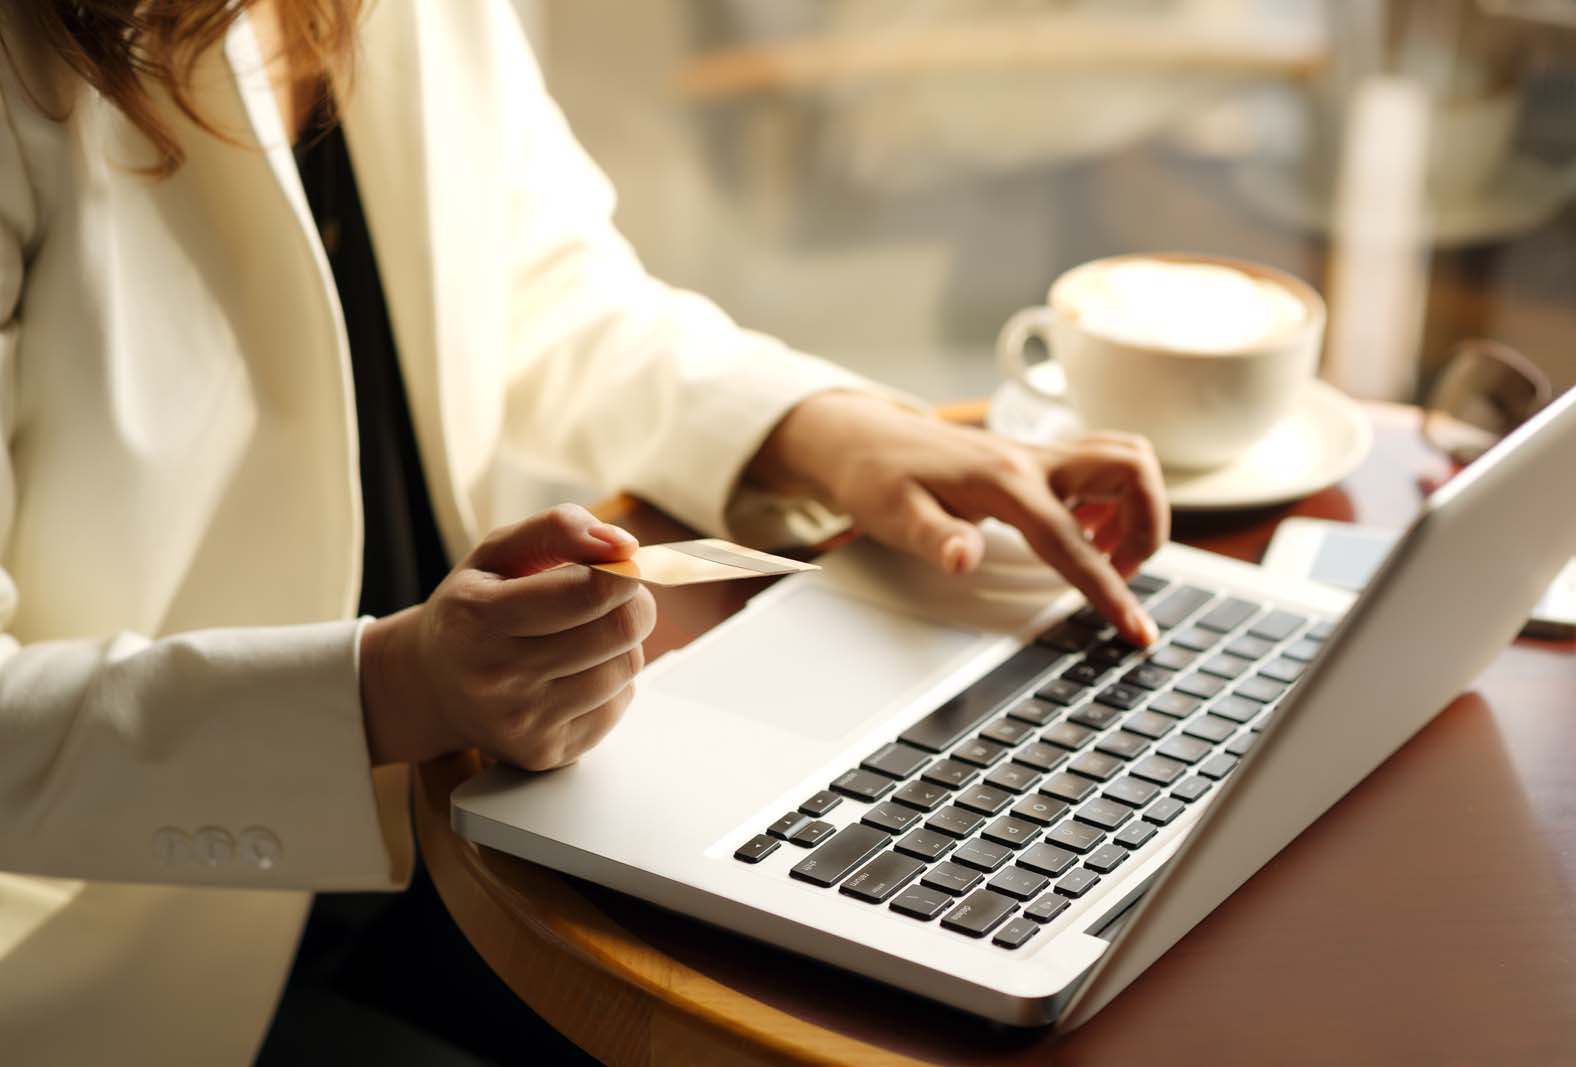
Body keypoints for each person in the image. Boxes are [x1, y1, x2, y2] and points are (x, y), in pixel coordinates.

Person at [0, 1, 1168, 1063]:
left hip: (456, 816)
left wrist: (826, 430)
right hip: (136, 946)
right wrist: (391, 688)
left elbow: (544, 289)